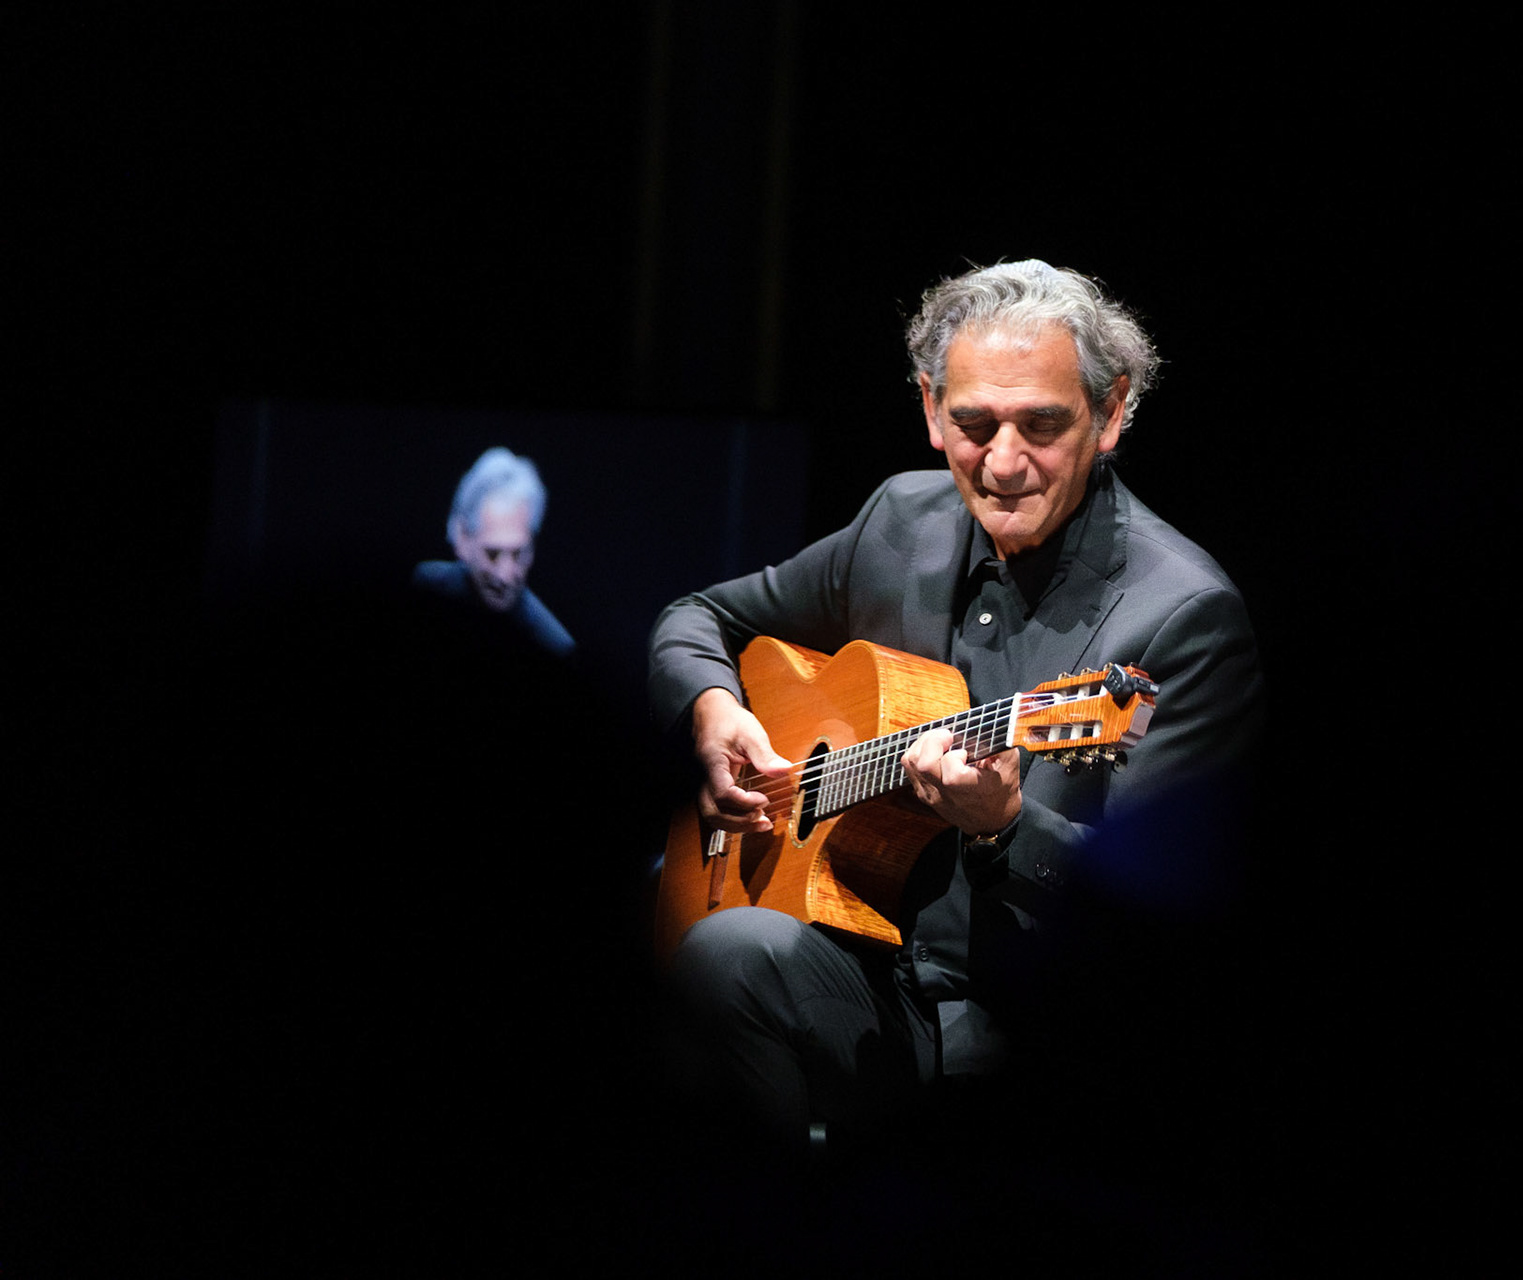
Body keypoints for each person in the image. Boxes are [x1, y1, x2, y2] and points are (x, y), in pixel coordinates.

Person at [647, 260, 1262, 1160]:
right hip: (862, 968)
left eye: (1042, 424)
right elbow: (699, 616)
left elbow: (1156, 929)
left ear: (1111, 413)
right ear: (932, 409)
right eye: (974, 424)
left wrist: (1007, 826)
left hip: (1017, 1025)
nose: (1004, 463)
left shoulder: (1181, 619)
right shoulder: (902, 520)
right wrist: (711, 709)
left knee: (723, 955)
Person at [413, 446, 575, 658]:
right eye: (492, 554)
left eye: (518, 554)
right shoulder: (424, 585)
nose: (505, 576)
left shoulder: (553, 647)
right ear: (462, 538)